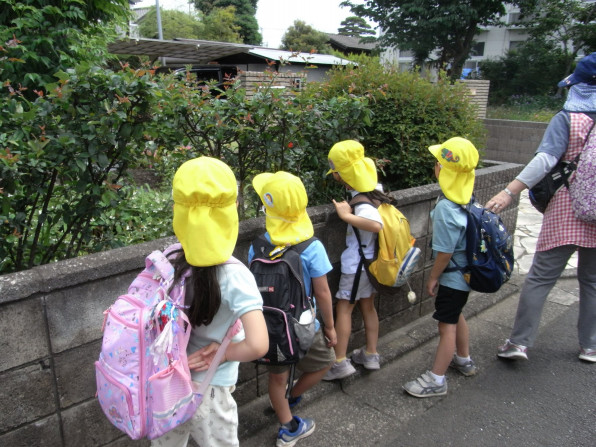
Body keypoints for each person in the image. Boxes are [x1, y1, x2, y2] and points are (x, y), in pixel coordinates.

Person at [152, 157, 269, 447]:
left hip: (167, 383)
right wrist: (225, 353)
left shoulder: (169, 261)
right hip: (210, 387)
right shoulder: (235, 276)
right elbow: (258, 344)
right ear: (231, 211)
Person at [488, 53, 596, 363]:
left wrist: (510, 191)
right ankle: (590, 346)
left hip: (567, 207)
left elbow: (546, 160)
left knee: (540, 278)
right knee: (592, 281)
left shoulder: (568, 118)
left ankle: (519, 343)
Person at [248, 171, 337, 447]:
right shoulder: (312, 246)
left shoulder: (258, 245)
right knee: (326, 361)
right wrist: (331, 328)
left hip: (270, 326)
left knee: (277, 377)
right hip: (306, 325)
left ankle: (286, 422)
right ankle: (292, 401)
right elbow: (322, 292)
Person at [403, 137, 479, 398]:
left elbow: (445, 252)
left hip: (453, 276)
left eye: (438, 162)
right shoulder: (466, 197)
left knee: (446, 325)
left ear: (443, 170)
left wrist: (433, 277)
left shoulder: (447, 207)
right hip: (467, 273)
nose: (435, 166)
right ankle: (464, 359)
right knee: (456, 314)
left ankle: (436, 380)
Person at [323, 140, 387, 381]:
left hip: (357, 264)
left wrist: (345, 216)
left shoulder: (361, 202)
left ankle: (339, 362)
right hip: (371, 264)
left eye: (337, 173)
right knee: (368, 306)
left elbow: (375, 225)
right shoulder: (374, 191)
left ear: (343, 175)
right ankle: (371, 355)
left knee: (344, 309)